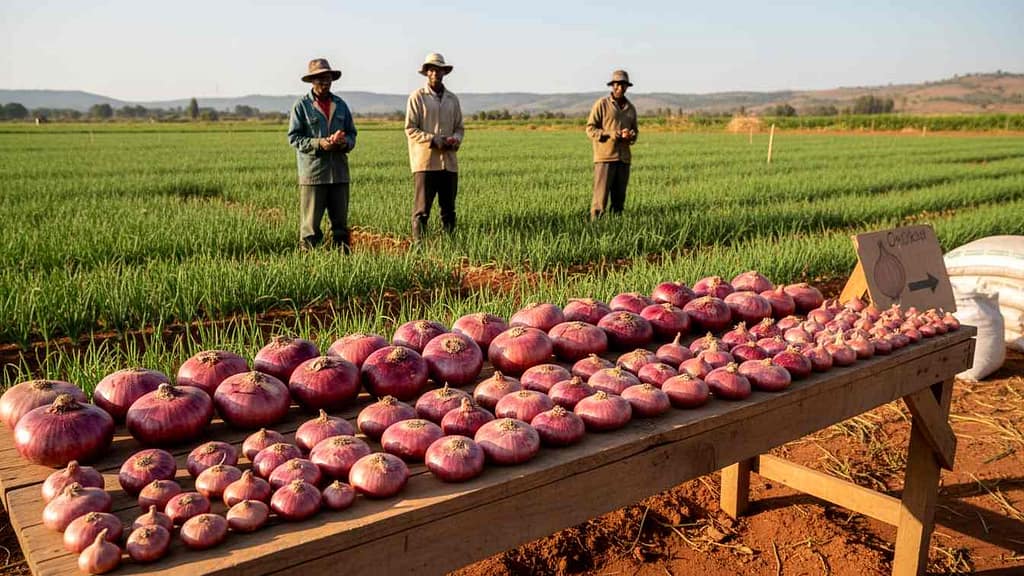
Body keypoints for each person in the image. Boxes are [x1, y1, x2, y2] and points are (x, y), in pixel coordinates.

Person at [287, 58, 358, 252]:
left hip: (339, 174)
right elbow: (294, 138)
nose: (325, 83)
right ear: (312, 81)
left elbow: (352, 133)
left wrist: (344, 142)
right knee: (310, 229)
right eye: (320, 79)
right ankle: (308, 263)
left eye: (328, 78)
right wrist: (320, 143)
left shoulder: (340, 105)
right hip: (314, 175)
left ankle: (343, 262)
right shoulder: (301, 106)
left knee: (341, 228)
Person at [405, 52, 464, 241]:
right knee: (422, 211)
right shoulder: (417, 97)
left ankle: (450, 246)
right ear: (426, 72)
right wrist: (433, 140)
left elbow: (459, 128)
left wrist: (455, 140)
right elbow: (410, 129)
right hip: (425, 163)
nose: (435, 73)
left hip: (449, 163)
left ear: (444, 72)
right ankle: (419, 247)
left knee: (449, 210)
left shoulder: (452, 99)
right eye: (431, 70)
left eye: (439, 70)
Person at [585, 69, 638, 220]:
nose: (620, 87)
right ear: (612, 85)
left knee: (619, 201)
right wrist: (611, 134)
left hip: (624, 159)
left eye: (623, 85)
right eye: (617, 84)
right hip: (605, 158)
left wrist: (630, 136)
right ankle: (595, 226)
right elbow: (590, 129)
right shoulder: (602, 104)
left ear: (627, 86)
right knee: (600, 199)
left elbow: (635, 132)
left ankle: (616, 227)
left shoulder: (631, 108)